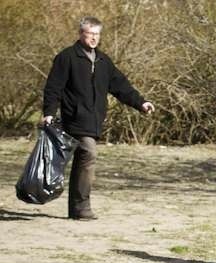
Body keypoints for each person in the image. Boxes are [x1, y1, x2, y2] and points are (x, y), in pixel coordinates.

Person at [41, 16, 155, 220]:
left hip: (93, 120)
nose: (94, 38)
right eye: (90, 33)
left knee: (82, 159)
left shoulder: (103, 61)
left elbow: (121, 86)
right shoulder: (66, 57)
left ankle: (76, 208)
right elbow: (53, 88)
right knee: (88, 154)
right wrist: (49, 112)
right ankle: (79, 207)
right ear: (80, 33)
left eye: (97, 34)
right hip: (72, 117)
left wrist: (141, 102)